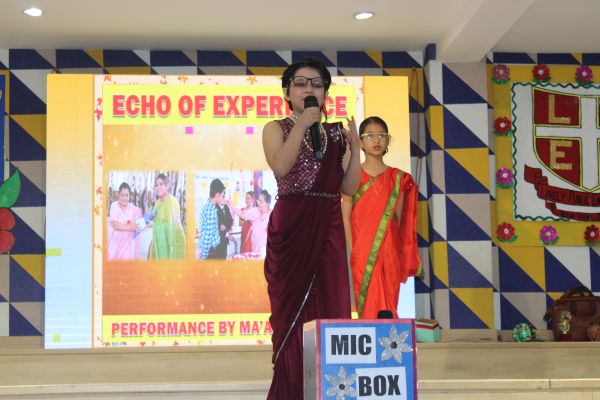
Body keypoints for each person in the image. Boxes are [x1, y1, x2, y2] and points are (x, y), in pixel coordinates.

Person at [261, 57, 361, 399]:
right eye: (301, 83)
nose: (309, 89)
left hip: (329, 224)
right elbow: (281, 166)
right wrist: (303, 124)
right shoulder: (275, 127)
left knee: (332, 302)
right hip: (292, 225)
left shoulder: (337, 134)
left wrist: (356, 150)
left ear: (325, 94)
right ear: (287, 92)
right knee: (290, 311)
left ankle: (330, 388)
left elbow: (349, 188)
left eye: (317, 84)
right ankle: (290, 387)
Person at [342, 116, 421, 319]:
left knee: (389, 306)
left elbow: (399, 221)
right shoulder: (352, 176)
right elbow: (345, 217)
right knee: (367, 306)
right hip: (361, 252)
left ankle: (390, 338)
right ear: (360, 142)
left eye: (381, 135)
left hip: (390, 252)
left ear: (388, 141)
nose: (376, 140)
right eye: (370, 136)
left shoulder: (399, 179)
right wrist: (353, 251)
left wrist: (399, 251)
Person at [148, 173, 186, 260]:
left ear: (167, 186)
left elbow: (173, 226)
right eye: (156, 185)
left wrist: (154, 225)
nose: (158, 187)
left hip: (175, 243)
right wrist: (148, 215)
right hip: (162, 241)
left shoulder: (172, 202)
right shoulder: (157, 203)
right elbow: (156, 217)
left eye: (161, 184)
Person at [230, 190, 272, 255]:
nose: (258, 203)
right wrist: (232, 206)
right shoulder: (255, 211)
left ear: (267, 204)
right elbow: (242, 214)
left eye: (261, 201)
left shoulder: (272, 215)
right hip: (254, 249)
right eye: (258, 200)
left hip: (266, 251)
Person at [107, 182, 141, 260]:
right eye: (122, 195)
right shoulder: (114, 206)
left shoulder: (134, 209)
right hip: (115, 246)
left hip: (128, 247)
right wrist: (131, 227)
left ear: (130, 196)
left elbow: (140, 225)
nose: (125, 198)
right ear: (119, 195)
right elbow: (115, 225)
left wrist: (148, 215)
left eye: (127, 195)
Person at [198, 178, 225, 259]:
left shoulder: (208, 206)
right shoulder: (211, 211)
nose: (222, 198)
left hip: (211, 250)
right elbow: (208, 236)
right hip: (212, 253)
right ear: (217, 195)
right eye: (222, 195)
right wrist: (203, 257)